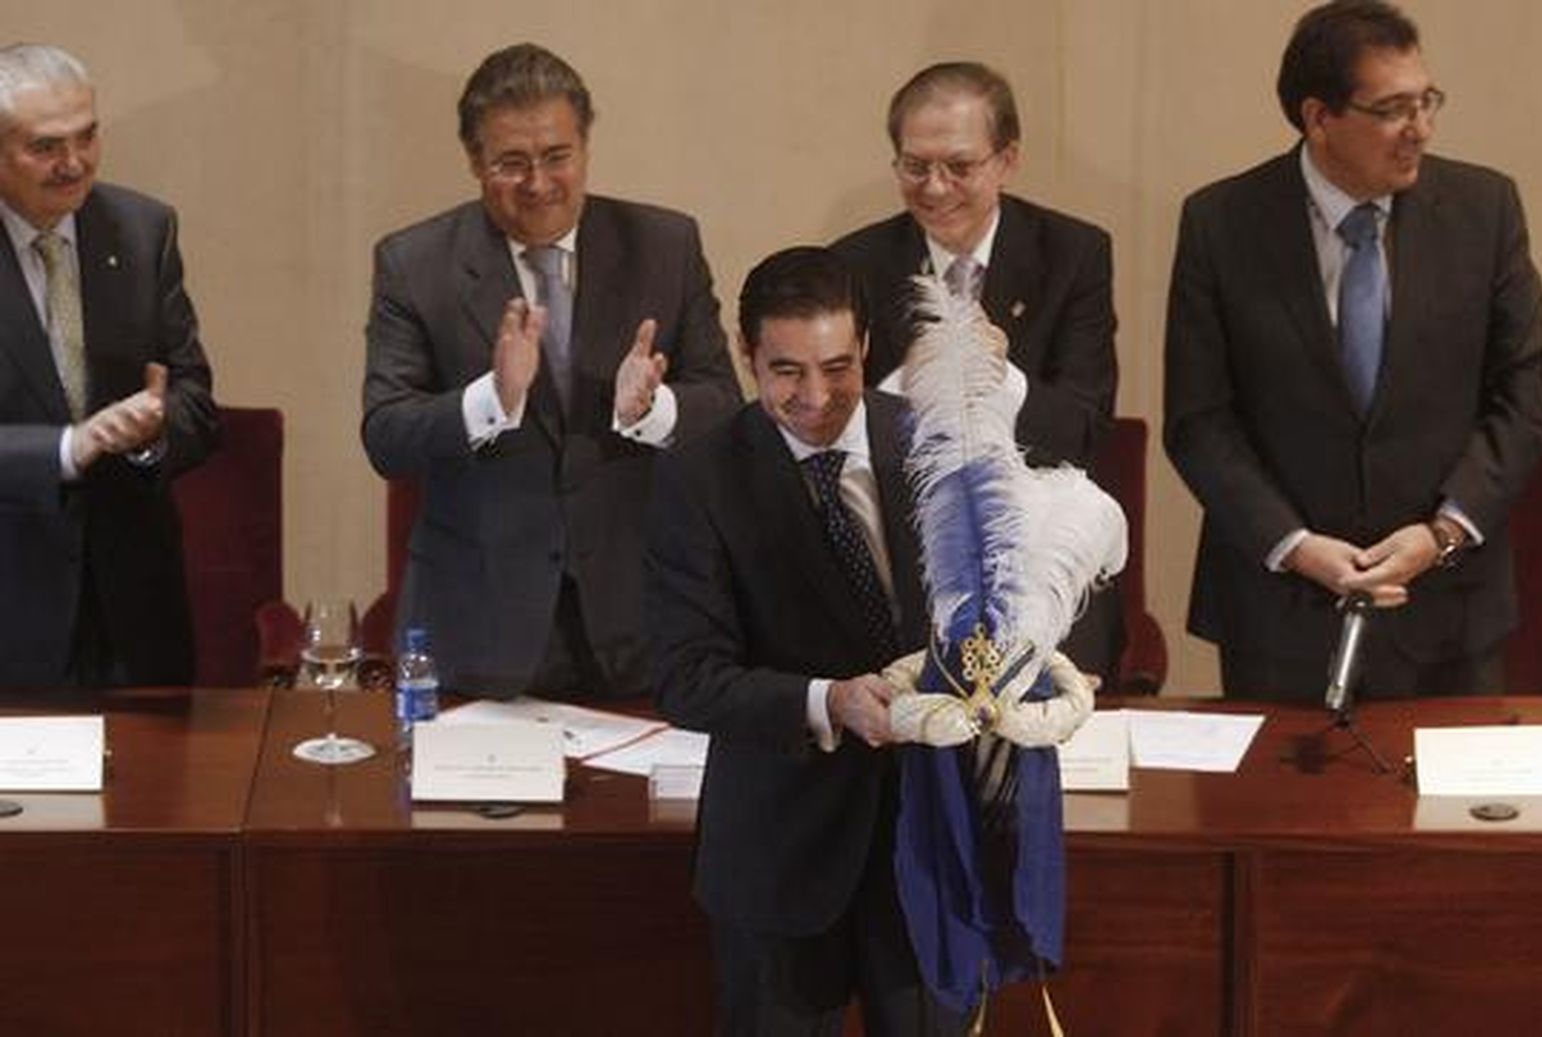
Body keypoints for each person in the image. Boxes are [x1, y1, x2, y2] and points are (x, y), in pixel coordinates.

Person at [1163, 0, 1542, 701]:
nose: (1421, 129)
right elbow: (1199, 420)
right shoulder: (1221, 224)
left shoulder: (1484, 209)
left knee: (1449, 811)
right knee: (1279, 813)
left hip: (1448, 607)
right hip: (1279, 612)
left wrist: (1442, 533)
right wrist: (1294, 545)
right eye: (1393, 109)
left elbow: (1524, 396)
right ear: (1319, 118)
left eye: (1427, 101)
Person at [649, 247, 965, 1034]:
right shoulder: (700, 479)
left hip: (924, 844)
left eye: (838, 366)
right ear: (746, 355)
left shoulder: (939, 443)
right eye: (786, 371)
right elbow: (687, 675)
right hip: (778, 852)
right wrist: (830, 701)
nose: (817, 397)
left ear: (865, 349)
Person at [362, 43, 739, 700]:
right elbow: (386, 434)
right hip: (479, 625)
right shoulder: (414, 263)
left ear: (585, 148)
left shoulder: (665, 246)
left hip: (639, 620)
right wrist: (492, 398)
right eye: (511, 162)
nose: (538, 183)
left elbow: (725, 407)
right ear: (476, 163)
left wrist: (651, 410)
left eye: (557, 157)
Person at [831, 61, 1123, 686]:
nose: (935, 188)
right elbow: (837, 430)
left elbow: (1082, 430)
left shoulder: (1074, 254)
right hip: (906, 563)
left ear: (1007, 159)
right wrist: (910, 384)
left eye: (959, 167)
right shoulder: (854, 264)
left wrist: (999, 375)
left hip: (1041, 548)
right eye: (915, 166)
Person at [0, 43, 217, 688]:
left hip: (134, 612)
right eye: (45, 147)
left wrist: (152, 434)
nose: (74, 163)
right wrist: (71, 446)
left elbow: (194, 399)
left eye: (87, 136)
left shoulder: (142, 230)